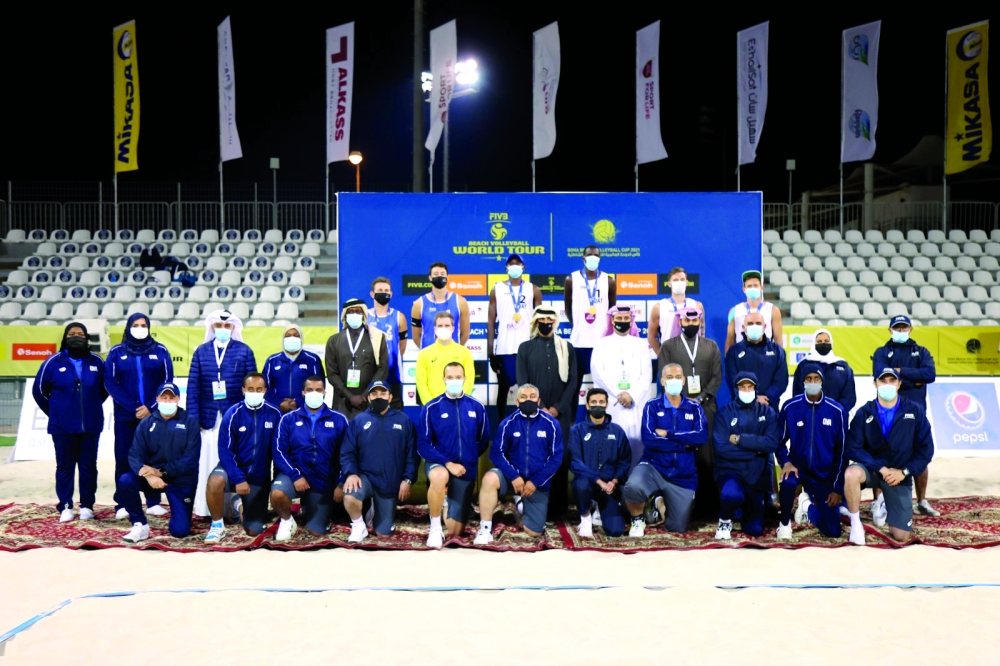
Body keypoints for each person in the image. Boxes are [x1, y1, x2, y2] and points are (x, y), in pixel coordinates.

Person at [843, 368, 934, 545]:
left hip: (899, 475)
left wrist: (905, 472)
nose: (887, 385)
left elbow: (926, 449)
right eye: (883, 381)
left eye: (892, 381)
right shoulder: (864, 412)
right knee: (851, 473)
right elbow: (852, 447)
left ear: (899, 384)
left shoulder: (914, 411)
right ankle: (856, 525)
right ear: (875, 383)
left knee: (901, 536)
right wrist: (880, 468)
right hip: (873, 470)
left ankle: (884, 501)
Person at [32, 323, 108, 523]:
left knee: (88, 466)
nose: (77, 337)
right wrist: (56, 412)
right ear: (65, 337)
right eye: (72, 334)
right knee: (64, 466)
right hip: (62, 427)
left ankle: (87, 506)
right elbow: (39, 391)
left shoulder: (97, 362)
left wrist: (90, 406)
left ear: (87, 338)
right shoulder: (52, 362)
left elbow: (104, 389)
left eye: (81, 334)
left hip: (90, 426)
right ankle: (65, 505)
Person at [188, 310, 257, 517]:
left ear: (234, 328)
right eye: (219, 326)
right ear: (212, 328)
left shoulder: (244, 351)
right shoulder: (201, 352)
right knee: (207, 461)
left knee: (233, 461)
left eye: (228, 326)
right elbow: (193, 387)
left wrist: (248, 416)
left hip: (235, 418)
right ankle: (206, 508)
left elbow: (252, 386)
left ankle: (234, 508)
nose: (223, 329)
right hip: (208, 418)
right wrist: (194, 418)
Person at [623, 365, 707, 536]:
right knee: (633, 486)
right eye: (669, 377)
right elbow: (649, 439)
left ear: (683, 380)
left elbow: (701, 437)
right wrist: (684, 444)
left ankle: (657, 502)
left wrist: (669, 434)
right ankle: (637, 520)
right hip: (654, 466)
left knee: (677, 528)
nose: (674, 380)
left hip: (683, 474)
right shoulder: (652, 406)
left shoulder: (695, 407)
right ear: (662, 381)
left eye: (677, 376)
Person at [104, 313, 174, 519]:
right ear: (128, 327)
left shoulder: (160, 351)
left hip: (155, 416)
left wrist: (151, 407)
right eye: (135, 325)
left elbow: (168, 381)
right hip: (126, 416)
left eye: (144, 325)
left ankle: (153, 501)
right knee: (124, 459)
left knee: (155, 457)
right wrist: (134, 407)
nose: (140, 328)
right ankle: (123, 504)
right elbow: (110, 382)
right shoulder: (117, 352)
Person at [475, 384, 563, 544]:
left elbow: (556, 458)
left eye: (532, 397)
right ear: (517, 402)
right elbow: (496, 454)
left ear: (539, 401)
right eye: (523, 397)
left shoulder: (551, 424)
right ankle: (485, 528)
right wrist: (514, 476)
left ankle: (522, 503)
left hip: (537, 484)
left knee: (534, 532)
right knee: (489, 479)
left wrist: (535, 482)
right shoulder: (508, 423)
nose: (528, 400)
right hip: (512, 479)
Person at [657, 307, 722, 518]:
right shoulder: (668, 346)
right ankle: (678, 508)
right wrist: (684, 401)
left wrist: (700, 398)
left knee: (706, 457)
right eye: (686, 319)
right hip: (677, 408)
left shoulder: (711, 346)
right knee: (680, 455)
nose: (690, 322)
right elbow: (664, 376)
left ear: (700, 321)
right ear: (680, 321)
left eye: (694, 319)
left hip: (706, 408)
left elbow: (716, 377)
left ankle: (707, 509)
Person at [871, 315, 939, 517]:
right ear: (889, 330)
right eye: (897, 328)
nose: (900, 331)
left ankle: (922, 501)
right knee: (881, 452)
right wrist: (913, 377)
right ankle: (878, 501)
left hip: (916, 411)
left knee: (919, 454)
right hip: (887, 410)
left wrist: (899, 373)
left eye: (904, 327)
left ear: (911, 328)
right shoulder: (882, 351)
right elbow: (880, 375)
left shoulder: (922, 351)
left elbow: (929, 375)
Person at [418, 362, 491, 548]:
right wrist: (448, 463)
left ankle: (445, 502)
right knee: (440, 475)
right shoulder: (431, 408)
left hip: (465, 471)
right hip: (440, 465)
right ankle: (434, 529)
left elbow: (483, 439)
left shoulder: (477, 407)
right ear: (444, 380)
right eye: (450, 378)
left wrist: (469, 459)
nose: (454, 381)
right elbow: (423, 445)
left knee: (455, 531)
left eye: (458, 377)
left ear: (464, 379)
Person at [204, 373, 282, 545]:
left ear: (265, 391)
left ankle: (237, 504)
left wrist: (275, 482)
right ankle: (217, 526)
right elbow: (224, 451)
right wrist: (238, 478)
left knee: (254, 531)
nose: (254, 392)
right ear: (243, 390)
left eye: (259, 389)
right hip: (233, 470)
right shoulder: (232, 414)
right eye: (250, 389)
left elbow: (278, 450)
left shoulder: (275, 414)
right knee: (215, 481)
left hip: (258, 477)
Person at [516, 306, 579, 518]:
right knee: (536, 458)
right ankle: (534, 507)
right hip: (534, 414)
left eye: (549, 319)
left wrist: (558, 408)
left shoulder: (566, 347)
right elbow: (522, 381)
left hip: (560, 415)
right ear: (535, 322)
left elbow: (573, 381)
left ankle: (558, 510)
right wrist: (539, 408)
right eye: (541, 319)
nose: (546, 322)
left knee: (558, 459)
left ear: (555, 321)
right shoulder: (525, 348)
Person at [119, 382, 201, 543]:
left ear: (178, 399)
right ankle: (140, 524)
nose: (167, 401)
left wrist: (161, 472)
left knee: (180, 531)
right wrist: (149, 476)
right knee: (126, 480)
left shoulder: (190, 422)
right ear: (157, 399)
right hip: (153, 478)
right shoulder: (146, 423)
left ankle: (180, 513)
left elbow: (190, 459)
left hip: (181, 480)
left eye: (171, 398)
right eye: (163, 397)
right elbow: (134, 455)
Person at [271, 376, 350, 541]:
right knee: (277, 494)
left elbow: (347, 453)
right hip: (295, 475)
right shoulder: (288, 419)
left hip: (323, 480)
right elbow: (279, 451)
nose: (314, 393)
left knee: (317, 531)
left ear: (324, 393)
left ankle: (310, 507)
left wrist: (341, 482)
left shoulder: (339, 419)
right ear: (303, 392)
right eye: (310, 390)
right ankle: (287, 521)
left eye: (318, 390)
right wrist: (295, 475)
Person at [341, 381, 418, 543]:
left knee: (383, 535)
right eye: (374, 394)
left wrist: (408, 479)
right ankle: (358, 525)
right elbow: (347, 452)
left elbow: (412, 454)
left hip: (390, 481)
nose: (378, 397)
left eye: (383, 393)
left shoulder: (404, 421)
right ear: (368, 398)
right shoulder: (359, 421)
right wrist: (351, 474)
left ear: (390, 397)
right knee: (349, 496)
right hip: (366, 478)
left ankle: (376, 510)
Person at [776, 367, 848, 540]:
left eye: (817, 378)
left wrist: (837, 488)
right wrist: (785, 461)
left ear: (822, 382)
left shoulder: (837, 411)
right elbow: (778, 441)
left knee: (833, 531)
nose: (813, 382)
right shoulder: (790, 407)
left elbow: (843, 453)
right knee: (786, 483)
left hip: (824, 473)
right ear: (803, 382)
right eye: (809, 378)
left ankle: (806, 506)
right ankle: (784, 524)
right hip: (798, 467)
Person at [712, 372, 781, 540]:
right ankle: (725, 519)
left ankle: (741, 509)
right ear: (736, 389)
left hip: (756, 476)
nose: (746, 390)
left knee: (755, 529)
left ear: (756, 389)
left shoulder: (768, 412)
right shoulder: (724, 413)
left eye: (750, 387)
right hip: (731, 471)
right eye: (742, 387)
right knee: (731, 494)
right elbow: (721, 447)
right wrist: (755, 451)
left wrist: (740, 439)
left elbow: (771, 443)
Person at [589, 305, 652, 464]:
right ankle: (613, 484)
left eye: (626, 318)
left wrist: (631, 396)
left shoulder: (641, 344)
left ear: (631, 321)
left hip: (635, 404)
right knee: (611, 444)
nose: (622, 321)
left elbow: (646, 375)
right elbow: (598, 373)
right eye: (619, 318)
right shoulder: (601, 344)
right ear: (612, 320)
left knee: (637, 444)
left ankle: (634, 484)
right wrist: (619, 394)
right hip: (613, 404)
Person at [568, 388, 631, 538]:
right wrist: (598, 481)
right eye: (594, 402)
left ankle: (598, 509)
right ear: (588, 406)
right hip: (587, 483)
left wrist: (615, 480)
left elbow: (625, 460)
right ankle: (585, 517)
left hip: (609, 486)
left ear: (607, 405)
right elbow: (574, 462)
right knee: (581, 484)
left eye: (601, 402)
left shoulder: (617, 431)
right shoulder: (577, 430)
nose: (598, 405)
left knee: (615, 531)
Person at [488, 254, 542, 419]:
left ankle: (531, 424)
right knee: (503, 389)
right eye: (511, 264)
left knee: (530, 391)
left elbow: (540, 321)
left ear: (523, 267)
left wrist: (539, 347)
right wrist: (491, 352)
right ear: (506, 268)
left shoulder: (533, 289)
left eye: (518, 263)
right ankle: (501, 427)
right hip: (505, 349)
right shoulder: (496, 289)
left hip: (528, 349)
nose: (514, 266)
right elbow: (491, 321)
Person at [564, 246, 617, 412]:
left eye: (596, 256)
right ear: (583, 258)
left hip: (601, 343)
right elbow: (567, 309)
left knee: (603, 385)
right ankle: (571, 425)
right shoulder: (571, 279)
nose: (593, 258)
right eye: (589, 255)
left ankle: (604, 421)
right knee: (573, 386)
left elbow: (612, 311)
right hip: (578, 343)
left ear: (600, 259)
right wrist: (579, 325)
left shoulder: (609, 280)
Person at [325, 298, 389, 419]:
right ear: (345, 315)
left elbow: (382, 369)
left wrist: (365, 395)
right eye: (350, 312)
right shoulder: (334, 341)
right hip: (342, 402)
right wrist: (350, 397)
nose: (354, 314)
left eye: (358, 311)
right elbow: (332, 373)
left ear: (363, 314)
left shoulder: (377, 338)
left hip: (369, 402)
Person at [724, 311, 788, 409]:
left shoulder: (777, 351)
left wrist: (767, 398)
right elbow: (732, 379)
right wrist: (753, 398)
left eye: (758, 323)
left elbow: (781, 381)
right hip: (740, 408)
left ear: (765, 326)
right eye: (750, 324)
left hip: (769, 407)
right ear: (743, 327)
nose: (754, 326)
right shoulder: (733, 352)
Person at [262, 323, 325, 413]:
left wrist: (297, 402)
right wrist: (279, 403)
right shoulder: (272, 360)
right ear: (283, 339)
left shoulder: (312, 360)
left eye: (296, 336)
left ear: (301, 339)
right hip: (276, 410)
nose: (292, 338)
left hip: (305, 410)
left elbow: (320, 387)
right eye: (288, 336)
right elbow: (264, 388)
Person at [791, 328, 856, 415]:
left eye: (826, 341)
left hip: (836, 417)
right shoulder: (804, 365)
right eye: (819, 341)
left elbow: (849, 396)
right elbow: (798, 392)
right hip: (810, 416)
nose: (823, 343)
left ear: (831, 343)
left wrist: (836, 411)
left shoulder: (843, 366)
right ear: (814, 344)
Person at [415, 311, 475, 404]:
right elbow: (421, 383)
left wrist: (461, 401)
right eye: (440, 326)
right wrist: (431, 405)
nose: (443, 328)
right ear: (435, 329)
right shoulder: (424, 354)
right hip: (433, 406)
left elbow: (469, 379)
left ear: (453, 328)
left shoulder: (464, 352)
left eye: (447, 325)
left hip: (458, 405)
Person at [369, 277, 409, 409]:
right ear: (372, 294)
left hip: (393, 374)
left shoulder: (399, 317)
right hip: (370, 373)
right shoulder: (365, 317)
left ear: (391, 294)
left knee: (395, 413)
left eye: (386, 290)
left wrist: (391, 358)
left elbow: (402, 345)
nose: (383, 292)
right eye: (380, 290)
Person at [411, 262, 471, 348]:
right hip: (429, 354)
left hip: (452, 355)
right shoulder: (419, 304)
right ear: (430, 278)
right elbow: (416, 337)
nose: (439, 276)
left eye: (442, 274)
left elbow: (465, 333)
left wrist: (455, 350)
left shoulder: (460, 302)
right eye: (436, 274)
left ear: (447, 277)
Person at [648, 267, 705, 354]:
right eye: (675, 280)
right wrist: (662, 356)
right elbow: (651, 337)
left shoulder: (697, 305)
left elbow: (702, 332)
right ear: (669, 284)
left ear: (687, 283)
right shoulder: (659, 307)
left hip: (692, 354)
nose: (679, 282)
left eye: (682, 279)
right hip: (669, 353)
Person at [725, 270, 783, 353]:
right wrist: (729, 361)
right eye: (749, 286)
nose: (752, 288)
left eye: (755, 285)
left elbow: (778, 340)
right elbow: (730, 339)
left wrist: (780, 360)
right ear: (744, 289)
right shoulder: (734, 311)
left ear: (761, 287)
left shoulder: (773, 310)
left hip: (767, 355)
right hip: (741, 355)